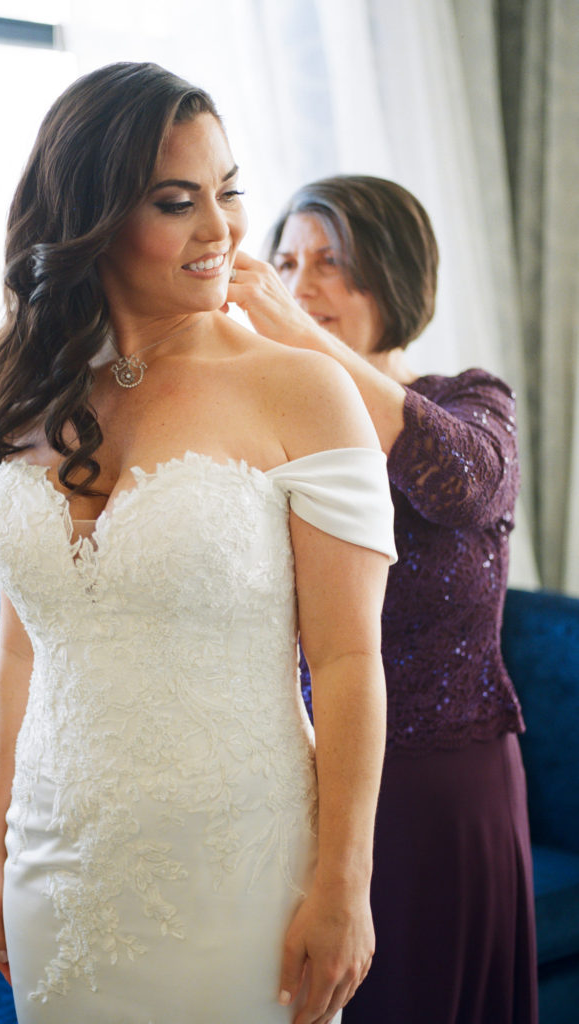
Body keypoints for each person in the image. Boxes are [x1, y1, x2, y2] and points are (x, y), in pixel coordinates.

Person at [0, 67, 397, 1023]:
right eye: (175, 202)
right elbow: (21, 649)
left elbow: (349, 660)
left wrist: (342, 886)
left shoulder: (302, 391)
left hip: (240, 867)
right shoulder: (28, 397)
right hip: (52, 858)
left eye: (227, 192)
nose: (219, 230)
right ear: (93, 217)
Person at [226, 174, 539, 1024]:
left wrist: (294, 336)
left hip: (444, 787)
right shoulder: (275, 425)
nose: (302, 285)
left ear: (395, 276)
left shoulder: (472, 403)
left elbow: (462, 485)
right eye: (287, 262)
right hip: (300, 785)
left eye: (332, 262)